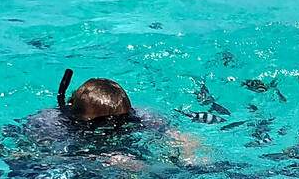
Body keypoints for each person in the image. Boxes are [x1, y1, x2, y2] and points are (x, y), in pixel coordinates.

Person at [20, 69, 207, 171]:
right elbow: (33, 159)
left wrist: (191, 155)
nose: (117, 125)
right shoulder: (49, 124)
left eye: (124, 119)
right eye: (105, 122)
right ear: (79, 117)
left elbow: (181, 136)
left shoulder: (141, 116)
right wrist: (99, 159)